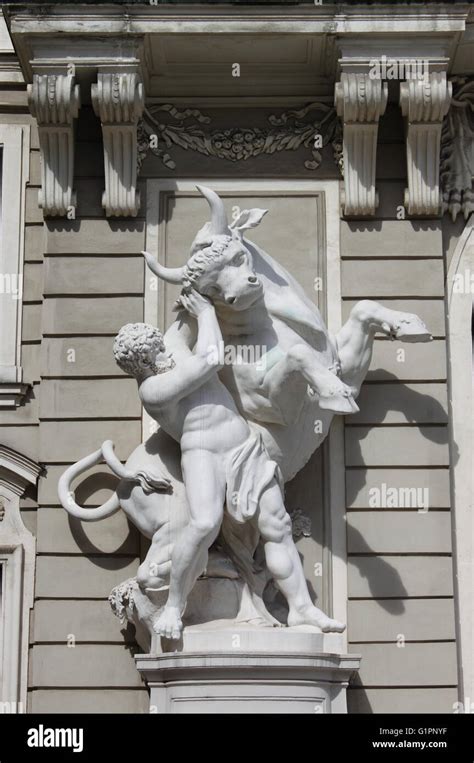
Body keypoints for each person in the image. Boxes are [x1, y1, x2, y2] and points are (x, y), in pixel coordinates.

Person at [113, 290, 345, 639]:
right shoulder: (153, 389)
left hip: (243, 445)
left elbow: (181, 326)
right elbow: (210, 359)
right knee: (204, 523)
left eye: (157, 345)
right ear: (140, 366)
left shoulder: (171, 348)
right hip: (203, 452)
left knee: (276, 524)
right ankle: (175, 607)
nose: (161, 353)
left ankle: (301, 608)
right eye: (151, 355)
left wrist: (196, 293)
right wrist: (206, 311)